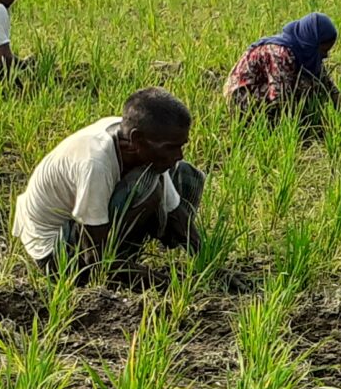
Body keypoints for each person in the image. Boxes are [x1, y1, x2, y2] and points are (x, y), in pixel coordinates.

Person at [11, 87, 204, 273]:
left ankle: (131, 249)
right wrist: (160, 281)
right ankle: (121, 257)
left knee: (184, 173)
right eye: (170, 147)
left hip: (84, 226)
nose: (179, 154)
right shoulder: (95, 163)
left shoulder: (134, 134)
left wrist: (204, 255)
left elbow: (174, 211)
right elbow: (95, 258)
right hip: (55, 250)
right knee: (145, 186)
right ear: (137, 140)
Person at [224, 12, 339, 125]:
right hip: (243, 97)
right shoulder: (280, 53)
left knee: (311, 84)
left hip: (265, 91)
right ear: (312, 43)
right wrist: (298, 126)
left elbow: (326, 85)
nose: (326, 55)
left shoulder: (306, 52)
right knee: (303, 86)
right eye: (324, 50)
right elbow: (280, 97)